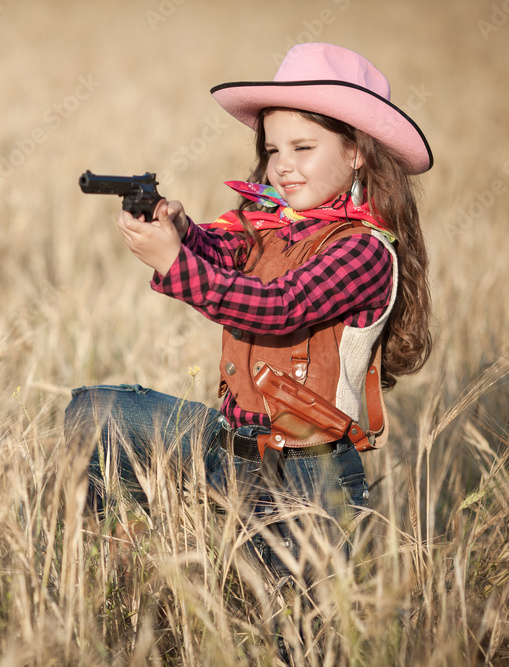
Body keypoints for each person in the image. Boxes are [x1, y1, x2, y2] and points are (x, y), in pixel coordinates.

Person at [64, 42, 433, 577]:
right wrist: (181, 232)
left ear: (357, 151)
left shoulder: (365, 250)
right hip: (230, 448)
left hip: (311, 475)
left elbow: (277, 307)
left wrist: (172, 262)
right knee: (93, 415)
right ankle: (107, 576)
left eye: (302, 148)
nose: (282, 167)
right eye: (273, 150)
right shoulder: (272, 223)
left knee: (306, 641)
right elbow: (224, 254)